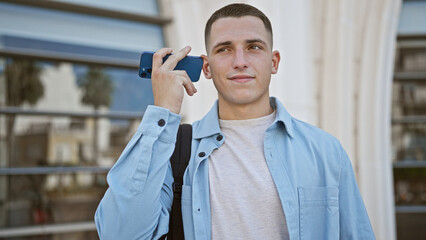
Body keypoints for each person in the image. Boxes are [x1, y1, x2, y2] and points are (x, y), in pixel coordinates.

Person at [95, 3, 375, 240]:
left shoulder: (326, 151)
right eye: (225, 49)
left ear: (274, 62)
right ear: (207, 67)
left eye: (253, 47)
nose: (240, 61)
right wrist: (163, 114)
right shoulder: (174, 151)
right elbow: (119, 233)